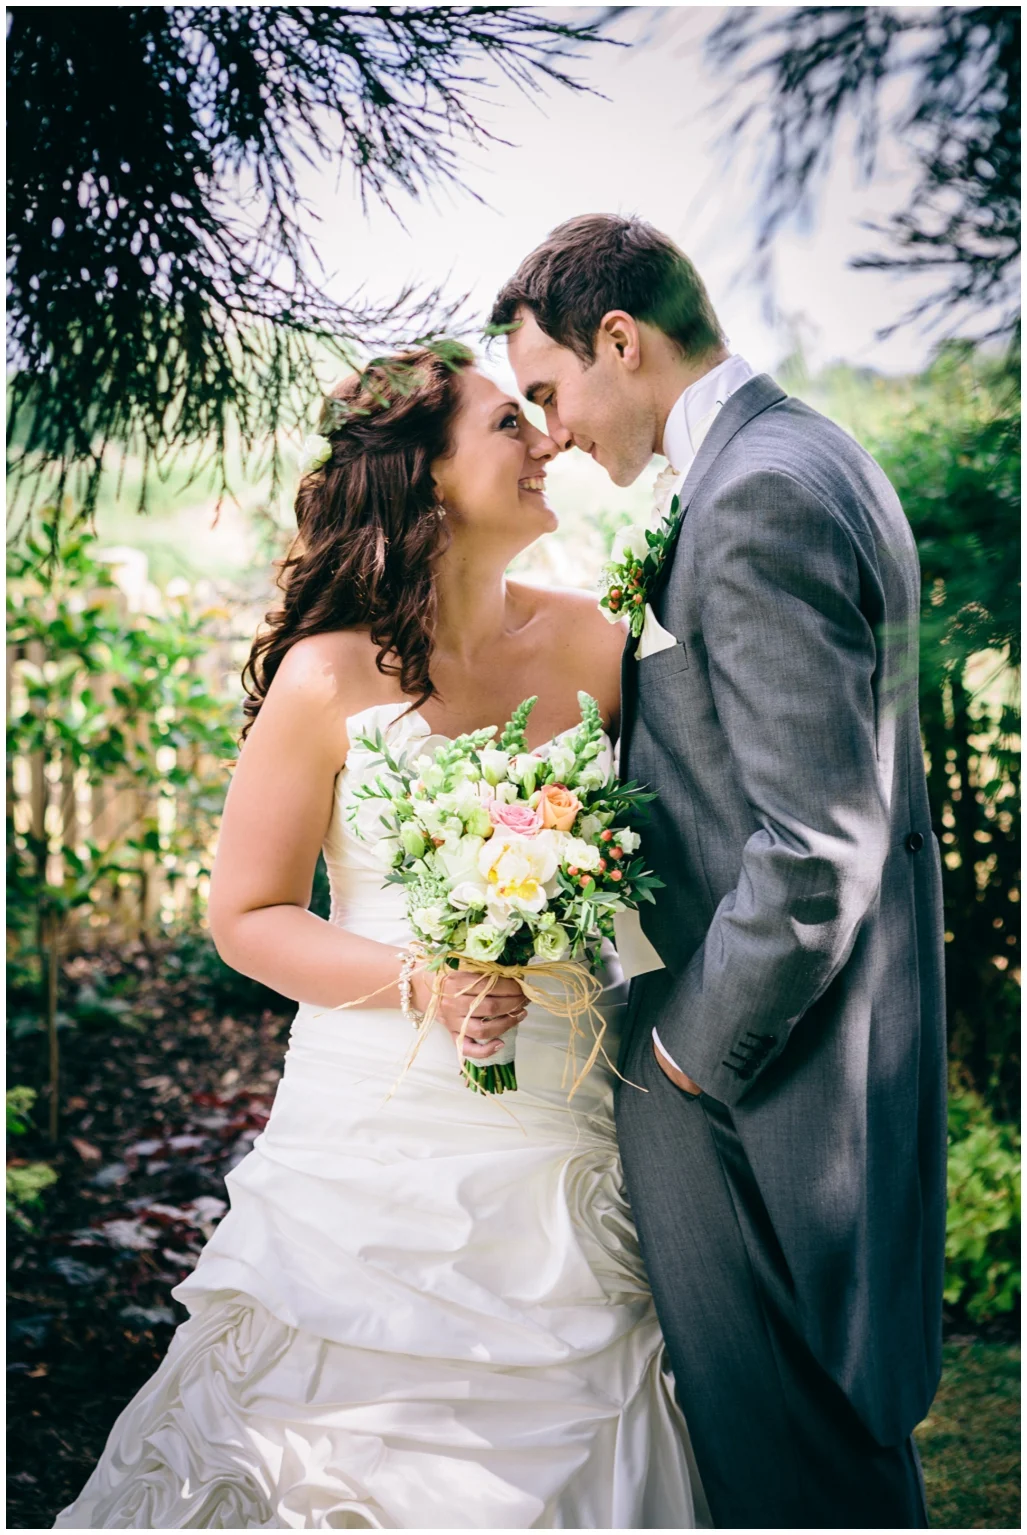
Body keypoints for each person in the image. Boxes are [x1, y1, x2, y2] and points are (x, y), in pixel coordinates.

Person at [54, 344, 707, 1530]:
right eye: (510, 424)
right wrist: (423, 984)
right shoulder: (324, 677)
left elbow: (673, 867)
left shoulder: (600, 648)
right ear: (424, 476)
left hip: (564, 1115)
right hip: (371, 1128)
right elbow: (246, 915)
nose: (547, 441)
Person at [492, 213, 947, 1529]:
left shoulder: (754, 492)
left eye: (548, 388)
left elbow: (813, 845)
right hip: (816, 1055)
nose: (553, 429)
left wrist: (685, 1053)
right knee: (819, 1455)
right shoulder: (800, 453)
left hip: (764, 1073)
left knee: (783, 1461)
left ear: (618, 340)